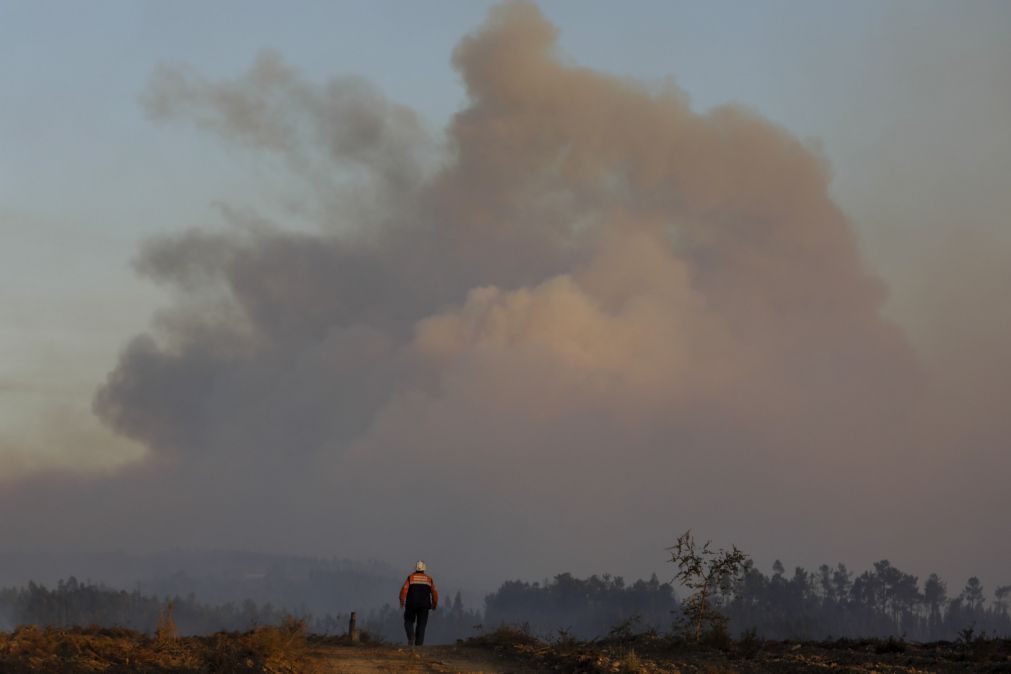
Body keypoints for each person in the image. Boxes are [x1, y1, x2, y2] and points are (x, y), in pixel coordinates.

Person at [399, 560, 438, 646]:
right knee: (421, 625)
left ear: (416, 568)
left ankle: (411, 636)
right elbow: (434, 593)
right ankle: (419, 645)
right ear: (424, 569)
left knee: (408, 621)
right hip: (424, 606)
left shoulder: (411, 578)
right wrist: (434, 604)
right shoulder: (429, 579)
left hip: (411, 604)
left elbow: (404, 590)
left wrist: (402, 601)